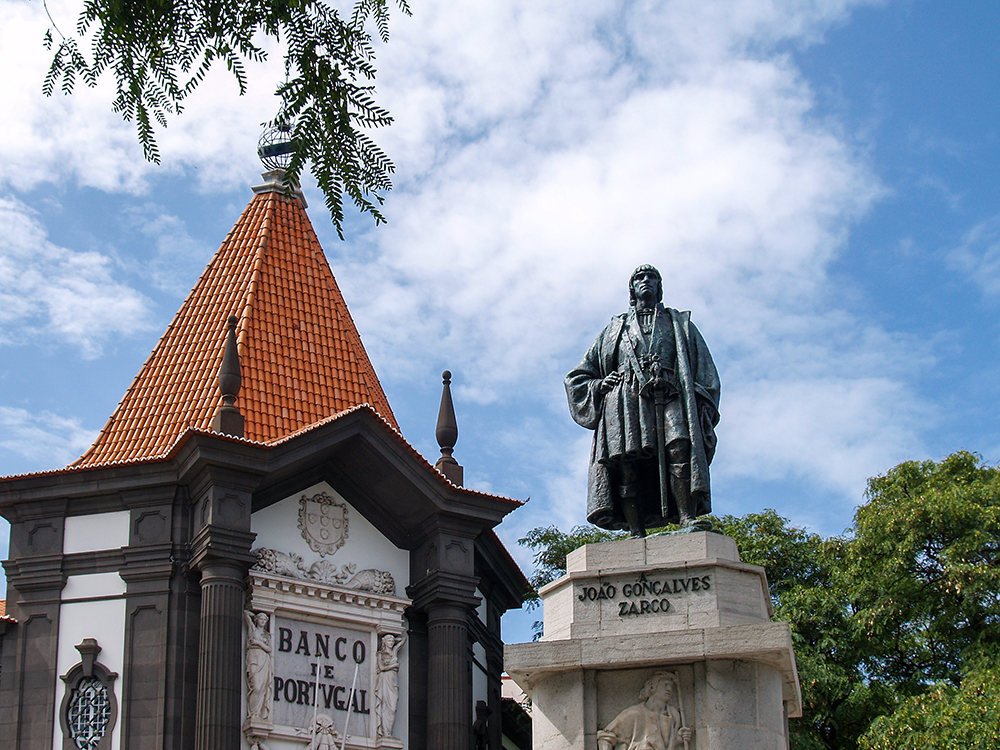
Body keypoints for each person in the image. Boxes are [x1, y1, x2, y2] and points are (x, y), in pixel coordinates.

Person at [566, 265, 720, 537]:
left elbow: (705, 371)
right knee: (626, 463)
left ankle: (686, 518)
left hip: (670, 394)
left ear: (659, 287)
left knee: (679, 447)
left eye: (652, 277)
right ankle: (636, 532)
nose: (646, 281)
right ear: (632, 289)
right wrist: (599, 385)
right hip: (624, 399)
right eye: (640, 277)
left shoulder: (680, 324)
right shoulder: (615, 329)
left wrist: (699, 401)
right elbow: (578, 375)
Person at [597, 672, 692, 750]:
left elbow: (667, 745)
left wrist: (679, 738)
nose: (669, 689)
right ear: (651, 687)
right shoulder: (634, 714)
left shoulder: (673, 715)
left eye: (671, 685)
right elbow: (605, 737)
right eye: (665, 684)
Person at [244, 611, 273, 723]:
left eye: (264, 620)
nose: (263, 621)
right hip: (254, 659)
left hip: (264, 660)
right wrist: (253, 615)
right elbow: (246, 614)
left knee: (261, 687)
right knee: (255, 686)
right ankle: (254, 713)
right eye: (260, 619)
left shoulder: (267, 635)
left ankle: (258, 714)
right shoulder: (252, 629)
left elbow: (269, 649)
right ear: (256, 620)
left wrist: (258, 642)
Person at [374, 633, 405, 736]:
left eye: (392, 641)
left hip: (393, 682)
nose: (391, 643)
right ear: (384, 642)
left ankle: (389, 731)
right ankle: (386, 732)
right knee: (385, 705)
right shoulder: (380, 654)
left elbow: (403, 639)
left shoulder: (394, 651)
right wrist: (394, 666)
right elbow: (382, 668)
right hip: (385, 680)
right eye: (389, 641)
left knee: (393, 707)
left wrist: (394, 639)